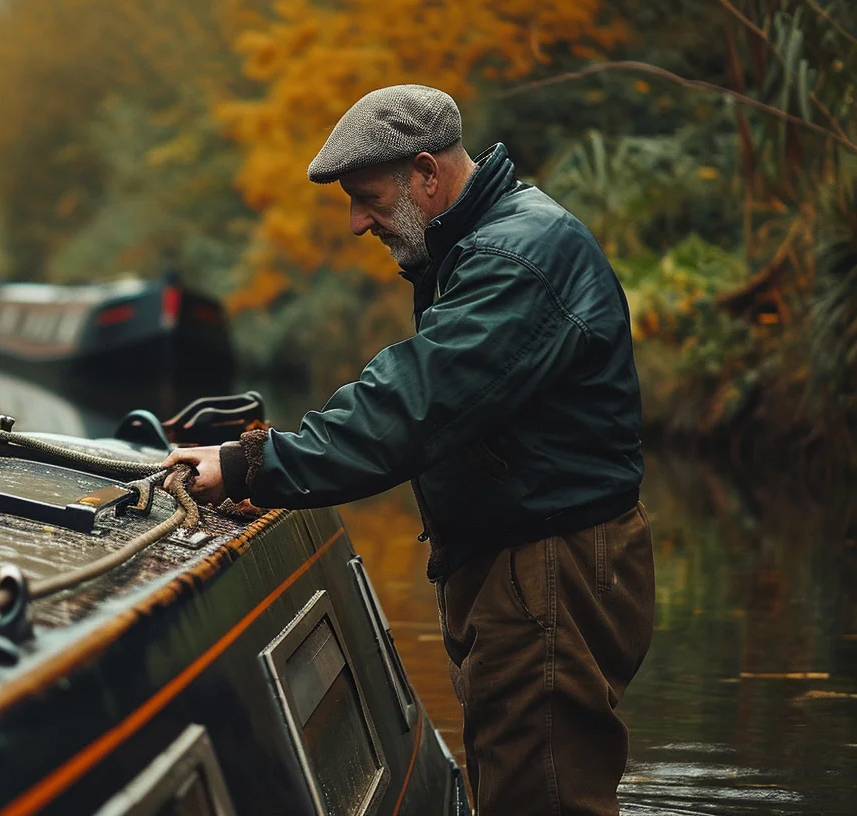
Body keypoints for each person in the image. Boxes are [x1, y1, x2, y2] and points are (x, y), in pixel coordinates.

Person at [162, 85, 655, 816]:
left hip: (548, 572)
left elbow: (410, 404)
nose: (358, 222)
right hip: (528, 563)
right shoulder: (484, 242)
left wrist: (249, 464)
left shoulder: (514, 259)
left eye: (366, 198)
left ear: (426, 174)